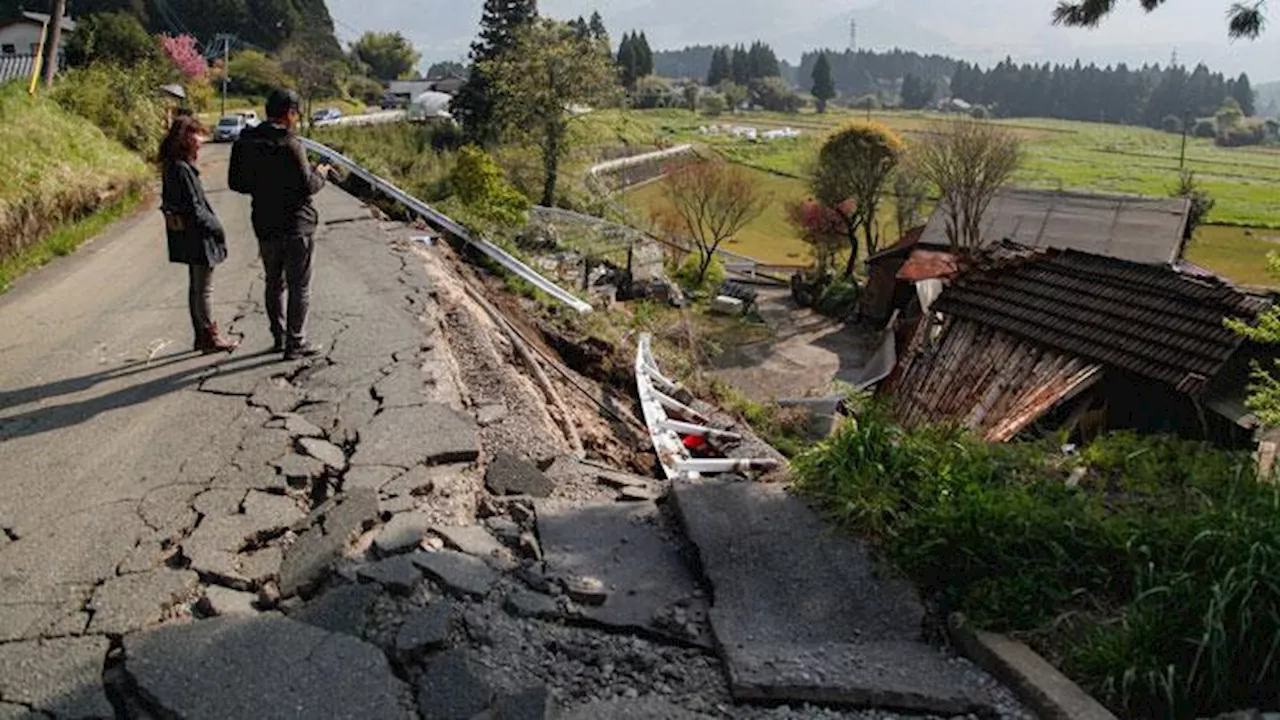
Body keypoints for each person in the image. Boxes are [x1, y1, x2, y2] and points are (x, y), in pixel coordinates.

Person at [228, 88, 332, 360]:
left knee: (274, 282)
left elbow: (236, 183)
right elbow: (308, 186)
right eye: (296, 114)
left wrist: (264, 186)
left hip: (264, 223)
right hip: (297, 226)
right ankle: (295, 343)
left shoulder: (246, 142)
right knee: (299, 286)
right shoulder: (290, 144)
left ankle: (279, 337)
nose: (296, 119)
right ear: (289, 113)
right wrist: (320, 173)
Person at [159, 116, 238, 354]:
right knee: (202, 289)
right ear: (185, 138)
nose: (202, 141)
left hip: (188, 235)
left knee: (196, 288)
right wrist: (217, 227)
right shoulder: (181, 169)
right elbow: (194, 209)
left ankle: (202, 336)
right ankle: (208, 337)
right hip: (197, 236)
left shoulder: (174, 166)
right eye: (197, 135)